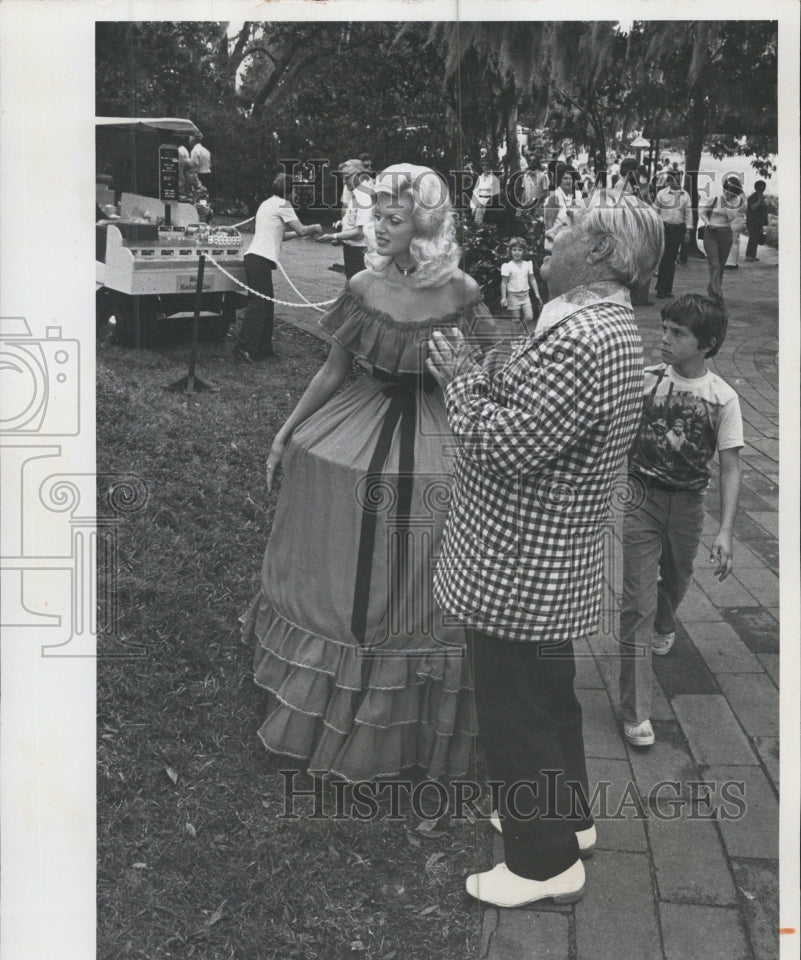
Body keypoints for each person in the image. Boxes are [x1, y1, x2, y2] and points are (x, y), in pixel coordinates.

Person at [426, 199, 664, 907]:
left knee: (515, 709)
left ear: (597, 252)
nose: (549, 242)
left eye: (562, 233)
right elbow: (542, 411)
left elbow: (508, 445)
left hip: (519, 559)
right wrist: (489, 358)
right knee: (548, 700)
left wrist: (459, 379)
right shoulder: (606, 325)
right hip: (550, 557)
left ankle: (540, 864)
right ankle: (566, 821)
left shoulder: (581, 335)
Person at [240, 164, 496, 782]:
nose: (377, 228)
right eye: (375, 216)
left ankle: (411, 692)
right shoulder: (361, 284)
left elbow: (495, 362)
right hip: (362, 416)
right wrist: (285, 431)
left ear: (425, 225)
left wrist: (469, 383)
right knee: (343, 530)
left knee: (419, 559)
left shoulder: (461, 290)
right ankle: (332, 676)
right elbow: (333, 370)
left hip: (438, 426)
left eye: (393, 218)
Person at [619, 294, 742, 747]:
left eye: (678, 333)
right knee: (636, 603)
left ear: (706, 344)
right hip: (641, 499)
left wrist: (726, 531)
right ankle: (635, 712)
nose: (665, 339)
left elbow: (730, 466)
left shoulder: (721, 398)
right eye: (665, 329)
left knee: (676, 577)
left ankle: (666, 620)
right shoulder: (645, 381)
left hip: (689, 505)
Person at [233, 173, 322, 363]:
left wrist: (300, 234)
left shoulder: (267, 203)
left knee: (266, 303)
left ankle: (264, 348)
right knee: (259, 304)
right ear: (288, 191)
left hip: (255, 257)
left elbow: (279, 235)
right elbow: (301, 229)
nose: (295, 195)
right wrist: (316, 227)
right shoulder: (284, 204)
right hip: (259, 259)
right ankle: (244, 347)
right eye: (294, 191)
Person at [318, 159, 373, 278]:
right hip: (352, 251)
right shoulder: (356, 194)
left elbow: (359, 233)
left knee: (357, 291)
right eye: (343, 177)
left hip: (358, 253)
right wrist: (341, 233)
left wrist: (334, 236)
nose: (344, 181)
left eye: (347, 177)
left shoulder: (364, 197)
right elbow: (352, 224)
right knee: (352, 289)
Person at [698, 176, 746, 301]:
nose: (729, 194)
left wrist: (731, 206)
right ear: (724, 189)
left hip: (726, 235)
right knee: (715, 265)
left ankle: (712, 290)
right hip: (711, 233)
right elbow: (703, 212)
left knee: (721, 265)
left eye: (733, 193)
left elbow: (737, 220)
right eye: (727, 191)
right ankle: (718, 293)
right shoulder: (715, 199)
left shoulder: (737, 204)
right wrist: (708, 223)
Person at [654, 172, 693, 299]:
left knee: (672, 259)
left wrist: (688, 231)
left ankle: (667, 288)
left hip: (678, 229)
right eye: (675, 180)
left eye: (679, 180)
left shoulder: (685, 195)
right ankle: (660, 288)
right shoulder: (662, 194)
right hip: (664, 228)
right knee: (664, 258)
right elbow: (655, 211)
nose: (678, 182)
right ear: (669, 181)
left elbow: (688, 214)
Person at [500, 237, 542, 322]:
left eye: (520, 250)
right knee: (516, 320)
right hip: (513, 296)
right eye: (514, 250)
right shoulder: (507, 266)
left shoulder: (527, 264)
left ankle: (521, 331)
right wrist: (504, 297)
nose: (517, 252)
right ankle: (518, 334)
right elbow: (504, 283)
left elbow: (532, 280)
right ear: (510, 251)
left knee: (529, 317)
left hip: (525, 295)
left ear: (523, 252)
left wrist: (537, 294)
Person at [542, 166, 580, 252]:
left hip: (570, 243)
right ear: (559, 180)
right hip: (556, 244)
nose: (568, 181)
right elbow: (549, 224)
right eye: (565, 178)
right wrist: (554, 240)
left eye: (570, 178)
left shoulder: (574, 196)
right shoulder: (555, 197)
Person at [745, 180, 769, 261]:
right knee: (753, 238)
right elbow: (753, 207)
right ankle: (749, 256)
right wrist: (759, 200)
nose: (762, 190)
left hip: (759, 221)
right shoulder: (752, 197)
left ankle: (752, 255)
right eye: (760, 188)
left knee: (756, 238)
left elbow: (765, 208)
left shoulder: (762, 197)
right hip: (752, 221)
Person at [470, 159, 501, 224]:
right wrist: (473, 207)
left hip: (489, 204)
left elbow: (496, 195)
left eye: (487, 165)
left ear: (490, 166)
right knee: (478, 224)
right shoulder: (480, 178)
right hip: (479, 204)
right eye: (483, 165)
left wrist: (490, 205)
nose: (485, 167)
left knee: (488, 223)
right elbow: (475, 193)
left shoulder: (494, 179)